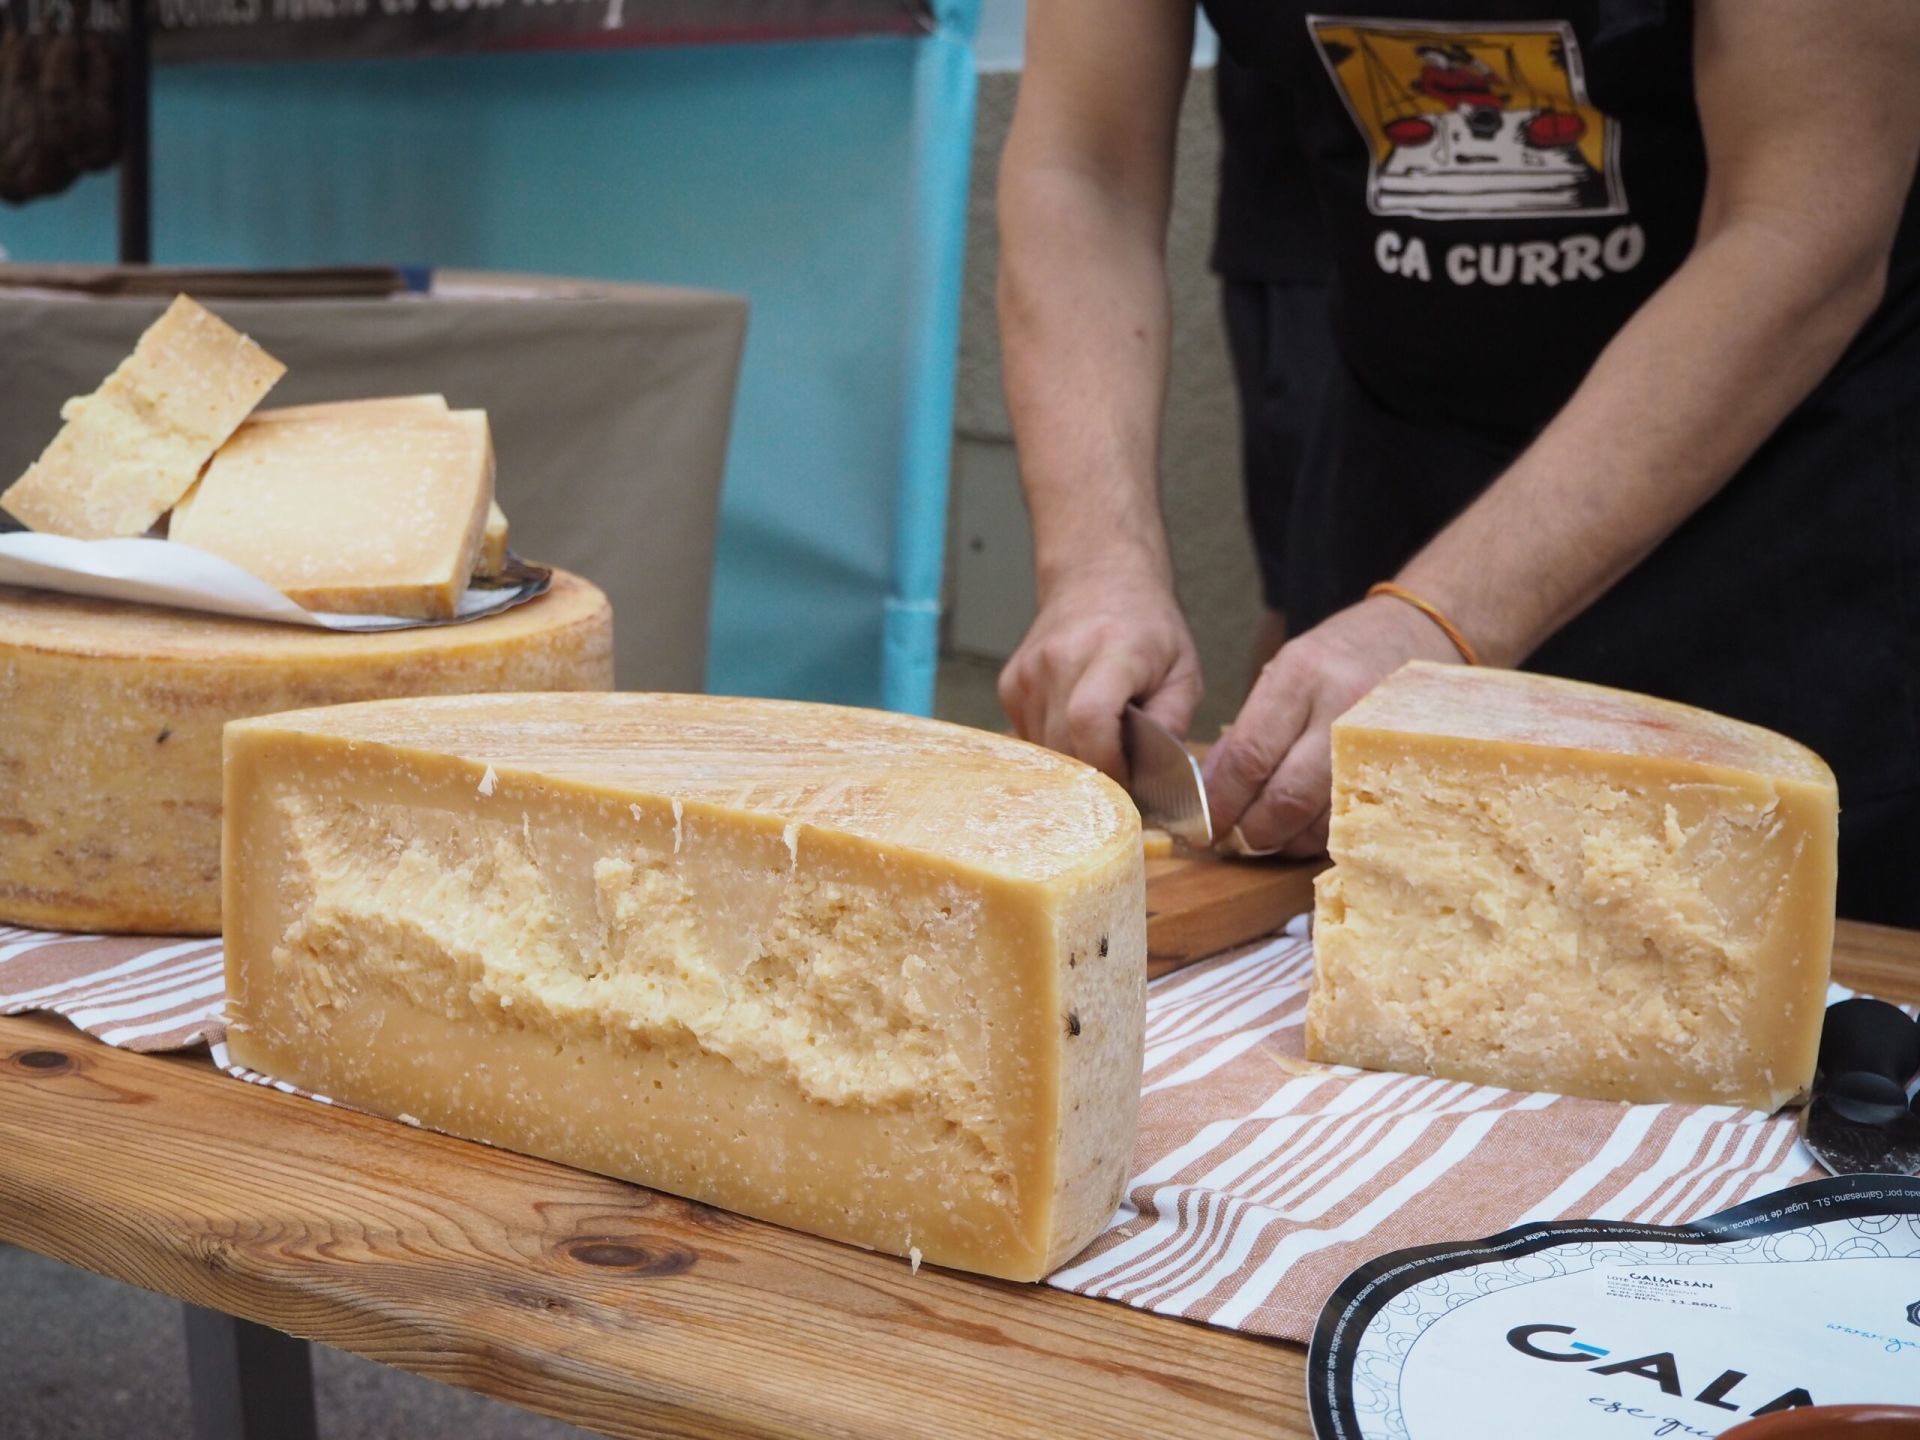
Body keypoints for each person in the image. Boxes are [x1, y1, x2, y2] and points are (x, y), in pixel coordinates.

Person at [994, 0, 1920, 924]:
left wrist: (1440, 618)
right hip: (1401, 473)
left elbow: (1803, 223)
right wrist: (1097, 569)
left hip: (1778, 504)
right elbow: (1086, 169)